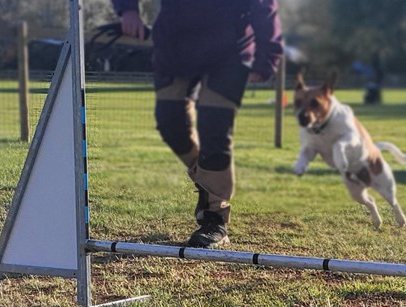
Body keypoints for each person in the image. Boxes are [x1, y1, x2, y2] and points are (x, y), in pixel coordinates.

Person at [117, 0, 283, 248]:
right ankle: (209, 184)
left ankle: (215, 219)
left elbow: (264, 5)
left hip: (230, 52)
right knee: (171, 124)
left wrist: (267, 55)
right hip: (175, 47)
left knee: (214, 129)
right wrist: (128, 9)